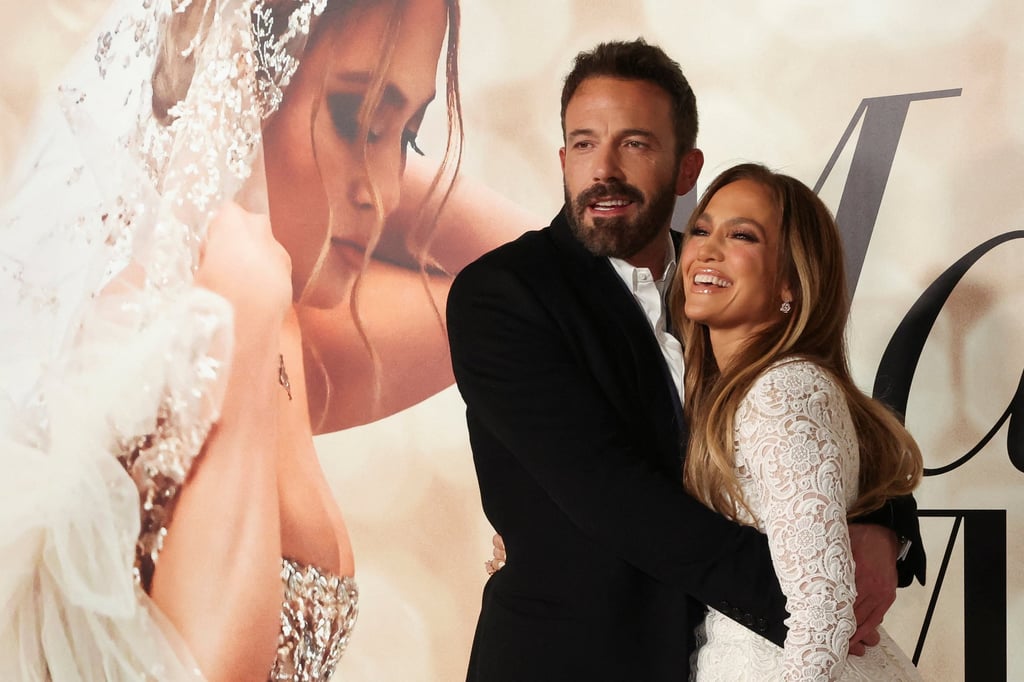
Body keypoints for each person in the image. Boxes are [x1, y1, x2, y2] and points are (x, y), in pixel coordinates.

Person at [0, 0, 528, 679]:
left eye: (407, 136)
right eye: (356, 118)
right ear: (240, 87)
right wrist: (243, 312)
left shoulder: (282, 322)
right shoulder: (135, 337)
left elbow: (537, 294)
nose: (387, 192)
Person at [447, 39, 924, 681]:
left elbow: (826, 412)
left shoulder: (723, 274)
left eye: (635, 143)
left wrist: (880, 524)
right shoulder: (503, 294)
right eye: (584, 143)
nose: (604, 170)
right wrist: (814, 593)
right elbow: (614, 496)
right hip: (573, 661)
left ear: (685, 168)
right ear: (562, 157)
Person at [672, 163, 924, 679]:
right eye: (700, 229)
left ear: (790, 279)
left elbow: (824, 611)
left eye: (741, 235)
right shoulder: (731, 389)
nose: (707, 248)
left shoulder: (783, 390)